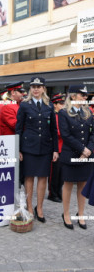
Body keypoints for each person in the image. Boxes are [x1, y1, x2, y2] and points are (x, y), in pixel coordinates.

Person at [15, 77, 59, 223]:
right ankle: (28, 207)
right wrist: (18, 149)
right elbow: (19, 128)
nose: (35, 89)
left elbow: (53, 129)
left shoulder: (49, 106)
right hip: (29, 147)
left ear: (43, 89)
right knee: (29, 177)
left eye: (39, 87)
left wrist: (55, 150)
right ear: (30, 89)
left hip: (46, 147)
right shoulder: (25, 105)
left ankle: (39, 208)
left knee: (42, 178)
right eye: (33, 86)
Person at [58, 85, 94, 230]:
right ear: (73, 96)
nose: (85, 98)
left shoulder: (88, 112)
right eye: (82, 95)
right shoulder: (64, 113)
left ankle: (81, 214)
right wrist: (82, 149)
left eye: (86, 96)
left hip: (86, 156)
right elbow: (66, 135)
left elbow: (93, 134)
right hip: (71, 154)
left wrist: (89, 150)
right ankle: (66, 214)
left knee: (83, 184)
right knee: (68, 184)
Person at [48, 93, 65, 203]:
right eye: (61, 103)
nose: (63, 105)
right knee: (54, 173)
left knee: (62, 174)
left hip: (64, 148)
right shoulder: (53, 115)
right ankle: (52, 193)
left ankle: (58, 192)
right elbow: (55, 132)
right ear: (55, 104)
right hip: (56, 148)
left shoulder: (63, 115)